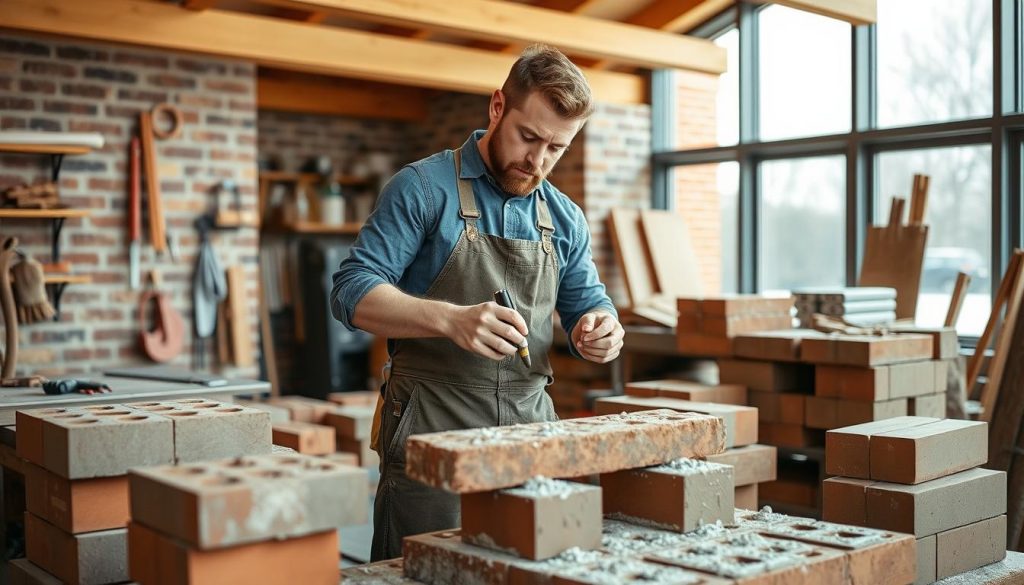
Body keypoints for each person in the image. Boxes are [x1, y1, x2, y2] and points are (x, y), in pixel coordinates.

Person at [331, 44, 624, 561]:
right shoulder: (422, 189)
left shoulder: (566, 217)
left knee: (534, 568)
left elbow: (589, 306)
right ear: (496, 108)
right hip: (432, 429)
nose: (537, 161)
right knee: (424, 569)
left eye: (556, 148)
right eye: (528, 137)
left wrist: (601, 331)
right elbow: (352, 290)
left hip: (533, 430)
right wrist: (450, 319)